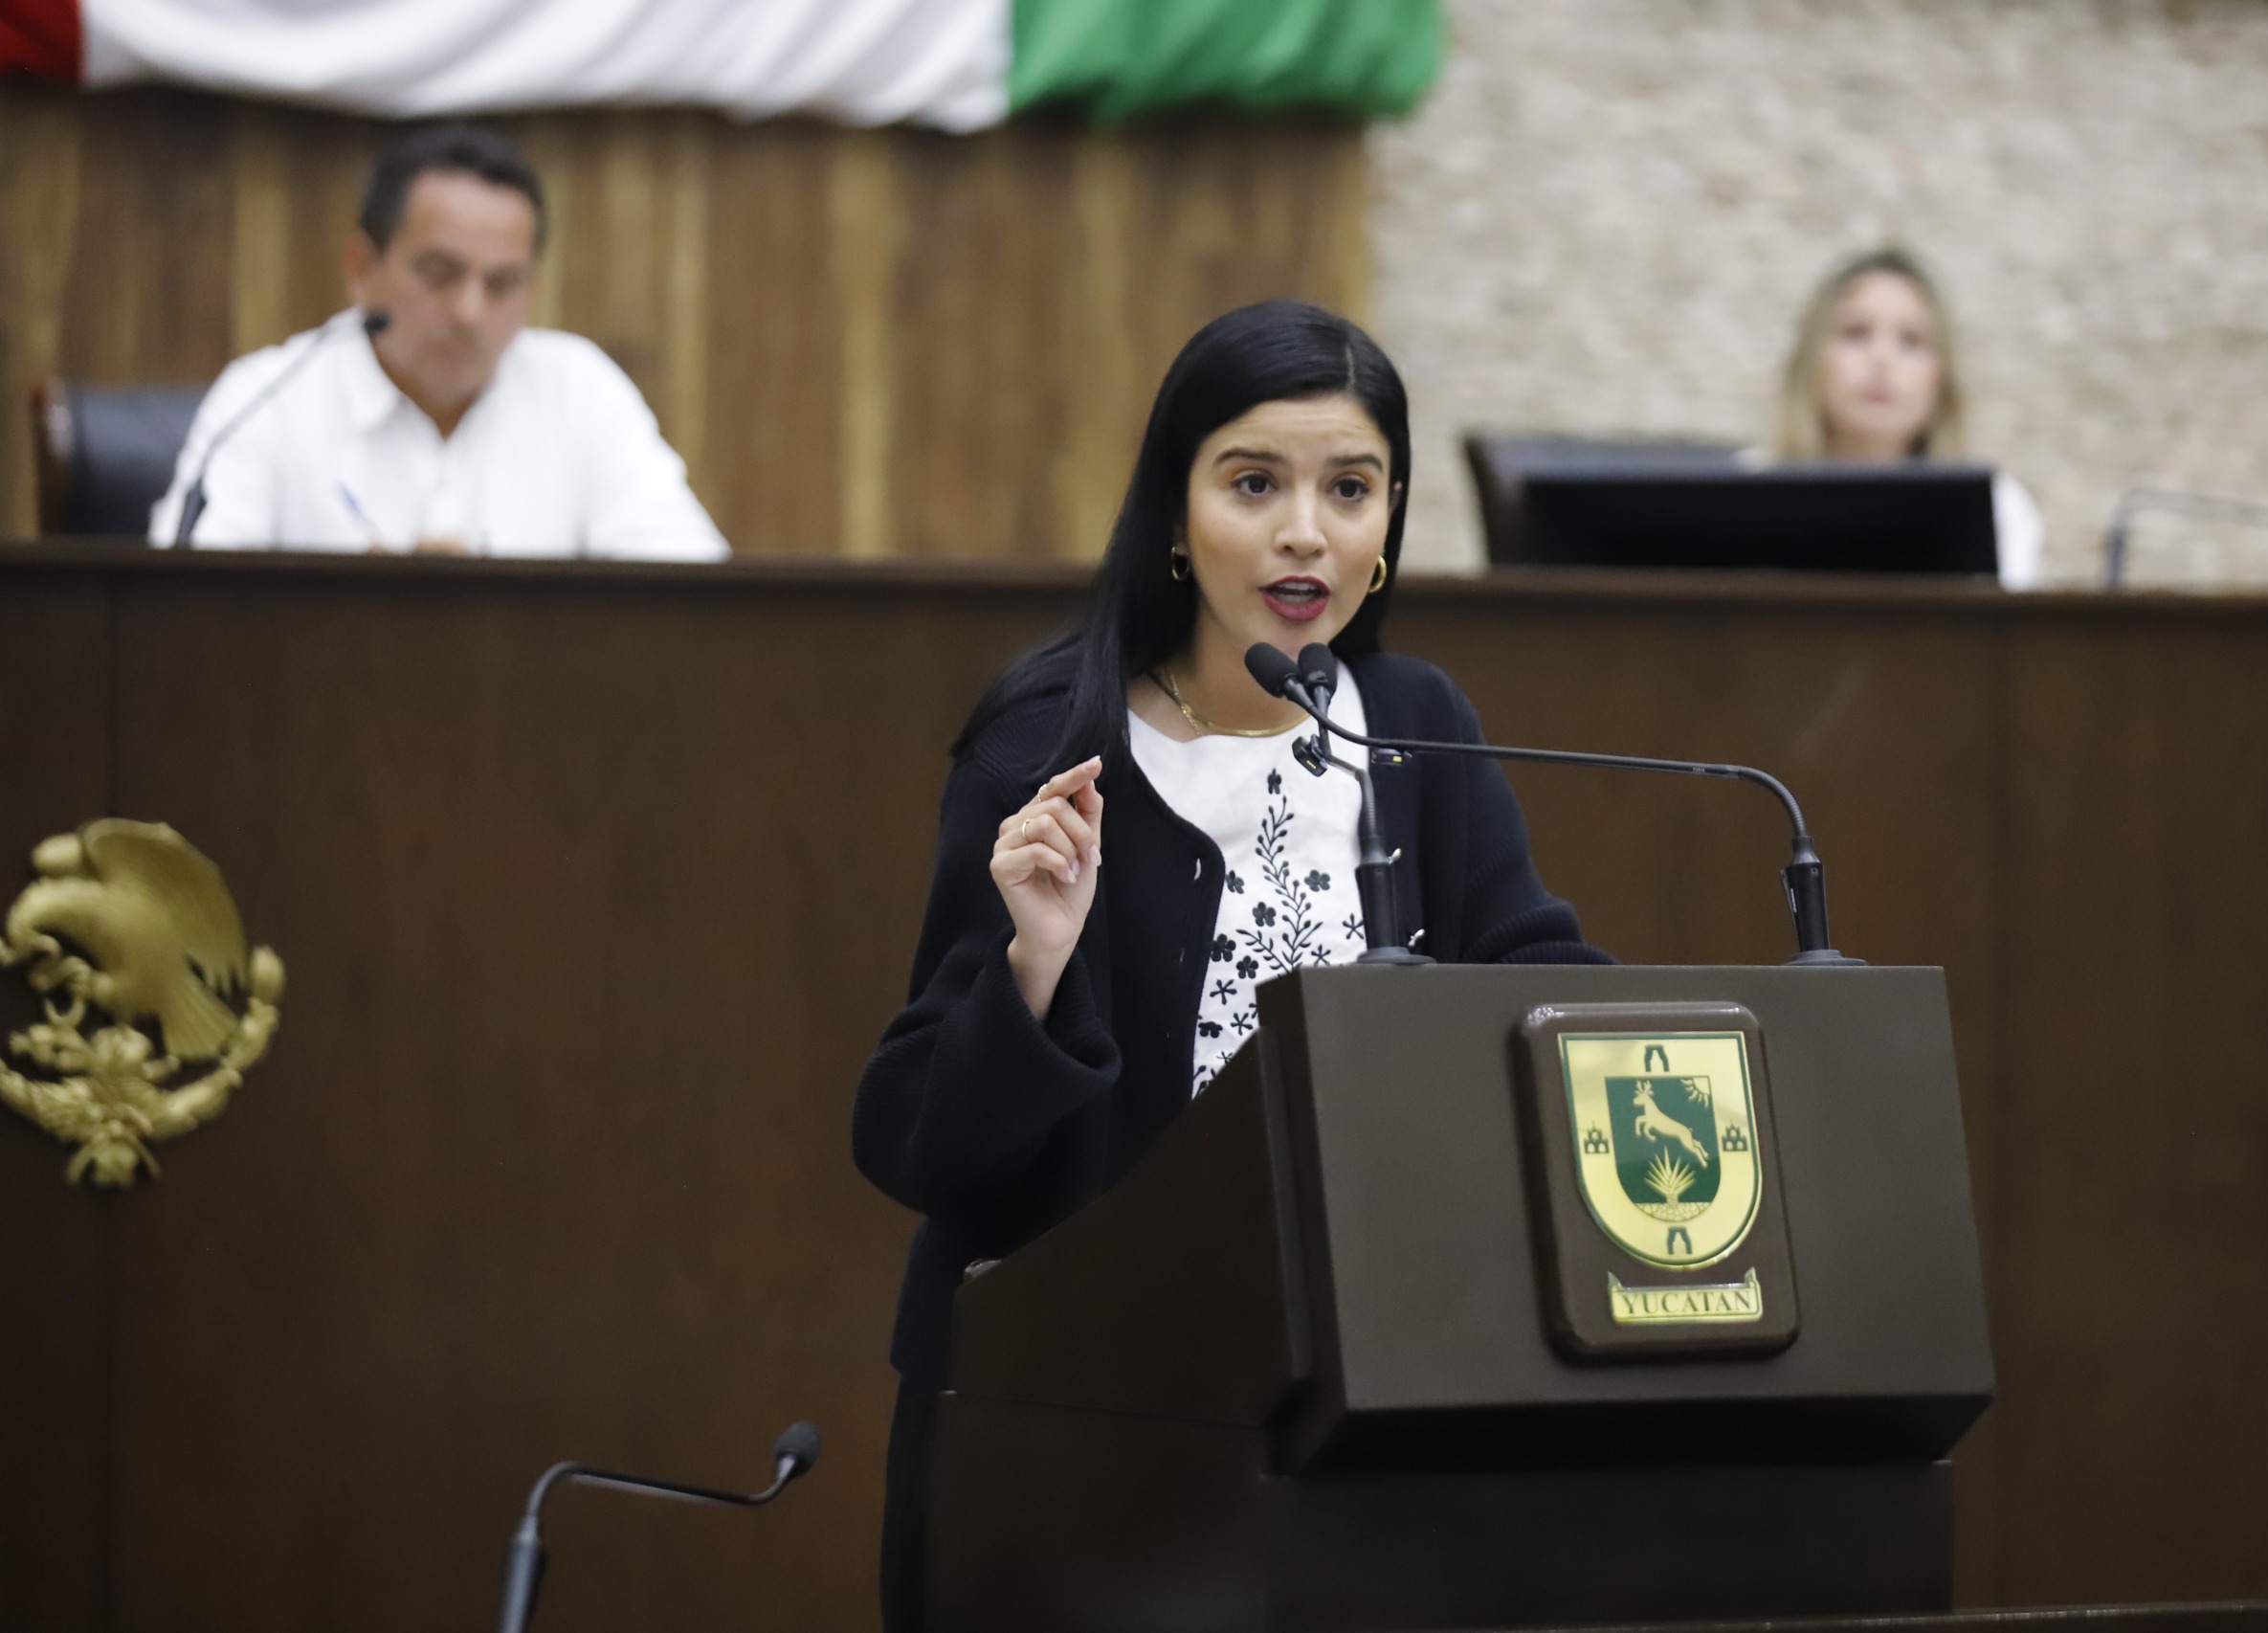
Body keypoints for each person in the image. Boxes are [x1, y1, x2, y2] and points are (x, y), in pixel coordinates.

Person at [851, 299, 1608, 1631]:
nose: (1304, 530)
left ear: (1389, 522)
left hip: (1353, 1404)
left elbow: (1534, 979)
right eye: (1254, 482)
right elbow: (914, 1143)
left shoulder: (1416, 729)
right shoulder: (1049, 741)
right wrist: (1033, 964)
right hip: (1074, 1417)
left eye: (1349, 488)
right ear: (1174, 509)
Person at [150, 123, 726, 559]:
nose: (470, 313)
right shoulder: (268, 397)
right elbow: (183, 611)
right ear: (362, 268)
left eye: (503, 283)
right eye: (439, 273)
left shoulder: (580, 390)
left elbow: (691, 595)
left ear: (533, 290)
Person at [1769, 247, 2042, 588]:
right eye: (1856, 333)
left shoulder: (1997, 507)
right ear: (1812, 360)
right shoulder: (1750, 495)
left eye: (1911, 341)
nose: (1881, 358)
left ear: (1941, 379)